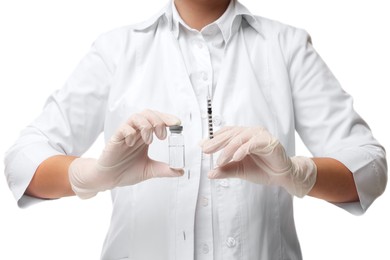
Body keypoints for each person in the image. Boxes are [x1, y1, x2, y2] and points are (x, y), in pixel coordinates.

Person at [4, 0, 387, 259]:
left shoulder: (285, 47)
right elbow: (22, 163)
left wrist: (297, 173)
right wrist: (90, 174)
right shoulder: (117, 50)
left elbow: (369, 168)